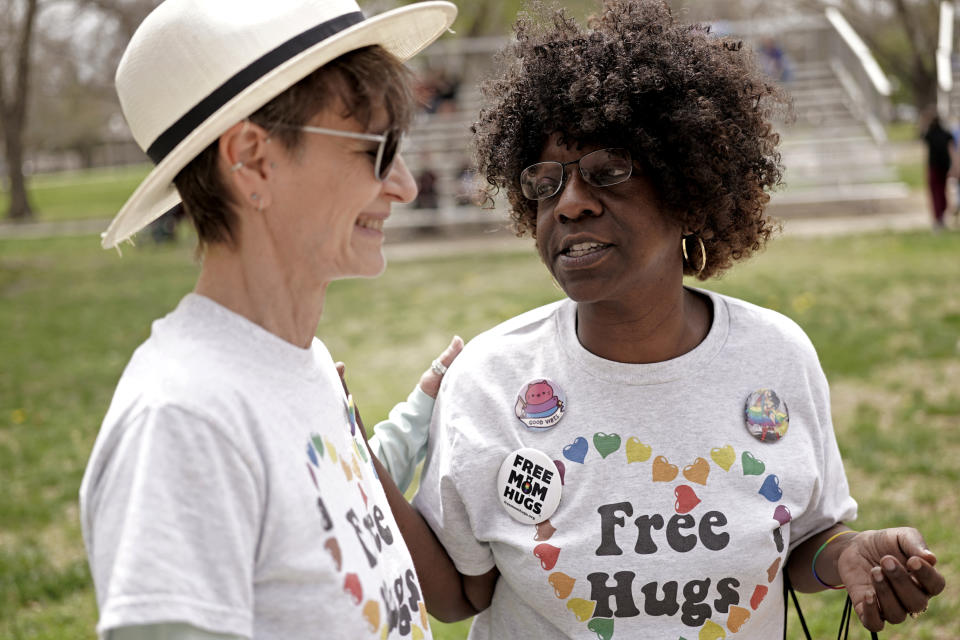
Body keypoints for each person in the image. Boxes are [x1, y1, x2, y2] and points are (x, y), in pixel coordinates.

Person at [410, 1, 946, 637]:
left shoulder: (777, 356)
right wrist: (360, 457)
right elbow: (460, 592)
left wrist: (844, 554)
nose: (572, 202)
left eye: (608, 171)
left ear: (689, 189)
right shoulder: (491, 380)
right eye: (547, 181)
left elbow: (801, 538)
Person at [78, 1, 460, 639]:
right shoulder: (182, 423)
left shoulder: (298, 360)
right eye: (378, 147)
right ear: (253, 160)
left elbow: (321, 522)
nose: (404, 186)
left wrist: (419, 417)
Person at [921, 106, 956, 231]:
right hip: (944, 167)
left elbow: (927, 153)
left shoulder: (929, 135)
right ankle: (941, 216)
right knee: (942, 192)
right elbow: (952, 152)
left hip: (935, 167)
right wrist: (954, 167)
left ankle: (938, 217)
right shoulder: (946, 134)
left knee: (936, 193)